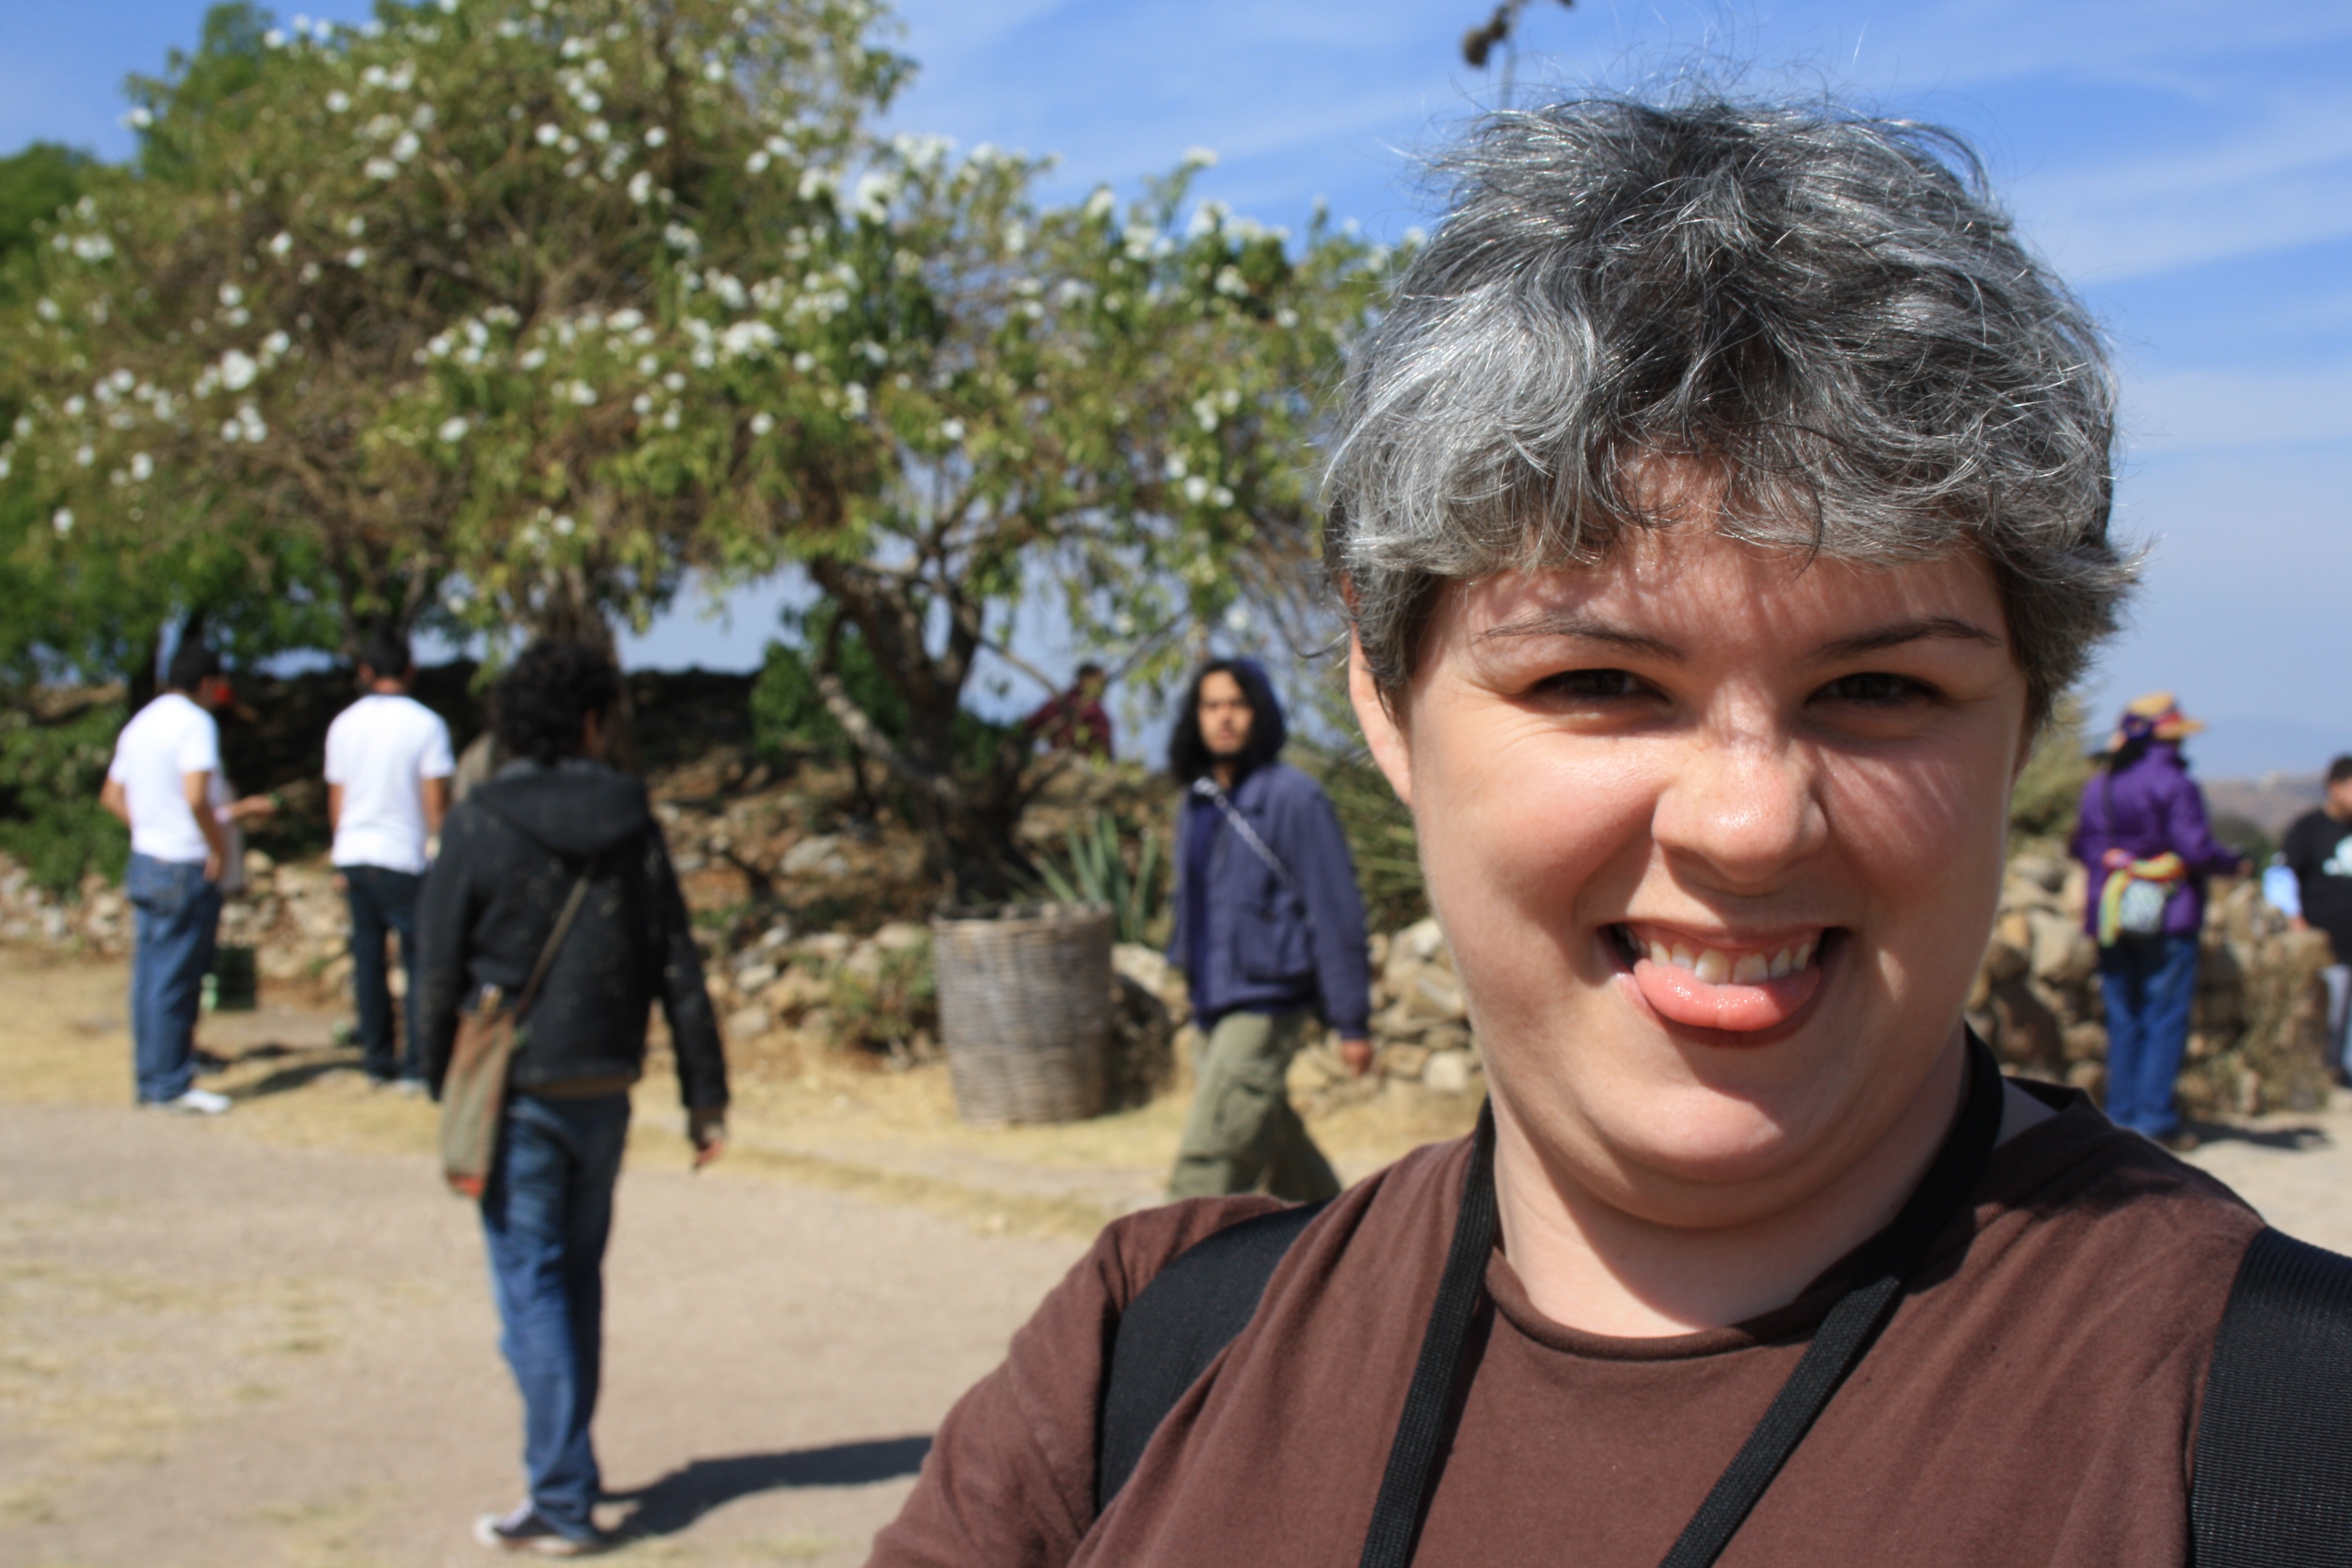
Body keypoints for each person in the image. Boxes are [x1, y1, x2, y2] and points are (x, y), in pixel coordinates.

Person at [869, 94, 2313, 1567]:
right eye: (1601, 681)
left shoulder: (2276, 1448)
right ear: (1385, 691)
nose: (1749, 823)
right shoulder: (1145, 1367)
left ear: (2025, 717)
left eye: (1876, 687)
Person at [415, 640, 728, 1556]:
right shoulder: (632, 819)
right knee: (574, 1280)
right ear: (593, 720)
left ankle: (558, 1498)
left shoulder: (480, 821)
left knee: (533, 1290)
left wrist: (442, 1081)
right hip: (607, 1087)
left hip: (517, 1092)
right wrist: (705, 1098)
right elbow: (679, 965)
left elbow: (436, 967)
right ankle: (568, 1471)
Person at [1162, 658, 1372, 1202]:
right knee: (1277, 1143)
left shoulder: (1294, 797)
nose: (1225, 718)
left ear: (1259, 713)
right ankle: (1341, 1242)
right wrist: (1178, 975)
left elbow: (1335, 909)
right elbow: (1191, 905)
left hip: (1267, 1001)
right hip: (1214, 1001)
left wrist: (1351, 1020)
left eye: (1238, 704)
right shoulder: (1198, 802)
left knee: (1211, 1157)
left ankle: (1168, 1277)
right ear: (1197, 717)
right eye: (1212, 706)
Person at [100, 641, 273, 1114]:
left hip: (147, 859)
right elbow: (197, 796)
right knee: (178, 979)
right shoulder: (196, 724)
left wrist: (151, 828)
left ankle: (150, 1076)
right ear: (207, 684)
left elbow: (111, 796)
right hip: (185, 864)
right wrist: (217, 847)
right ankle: (170, 1084)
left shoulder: (142, 722)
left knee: (150, 977)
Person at [2069, 693, 2249, 1146]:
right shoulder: (2173, 782)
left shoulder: (2101, 784)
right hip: (2169, 914)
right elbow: (2194, 848)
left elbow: (2084, 847)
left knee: (2122, 1015)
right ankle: (2153, 1120)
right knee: (2164, 1017)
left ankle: (2120, 1117)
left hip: (2111, 911)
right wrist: (2232, 863)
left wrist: (2120, 863)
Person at [325, 629, 456, 1089]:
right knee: (417, 960)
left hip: (355, 853)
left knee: (368, 960)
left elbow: (337, 797)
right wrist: (441, 847)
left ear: (364, 673)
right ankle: (417, 1064)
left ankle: (377, 1058)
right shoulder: (426, 724)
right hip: (404, 855)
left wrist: (339, 853)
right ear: (410, 670)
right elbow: (434, 799)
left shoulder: (343, 725)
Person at [2282, 754, 2352, 1083]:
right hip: (2326, 943)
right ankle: (2323, 1074)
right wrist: (2295, 919)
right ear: (2335, 788)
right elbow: (2282, 877)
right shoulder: (2309, 829)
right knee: (2328, 1015)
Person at [1022, 663, 1116, 760]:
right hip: (1062, 759)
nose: (1102, 687)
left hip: (1088, 763)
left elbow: (1105, 745)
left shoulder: (1099, 712)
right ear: (1085, 679)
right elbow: (1031, 726)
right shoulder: (1061, 703)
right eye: (1098, 681)